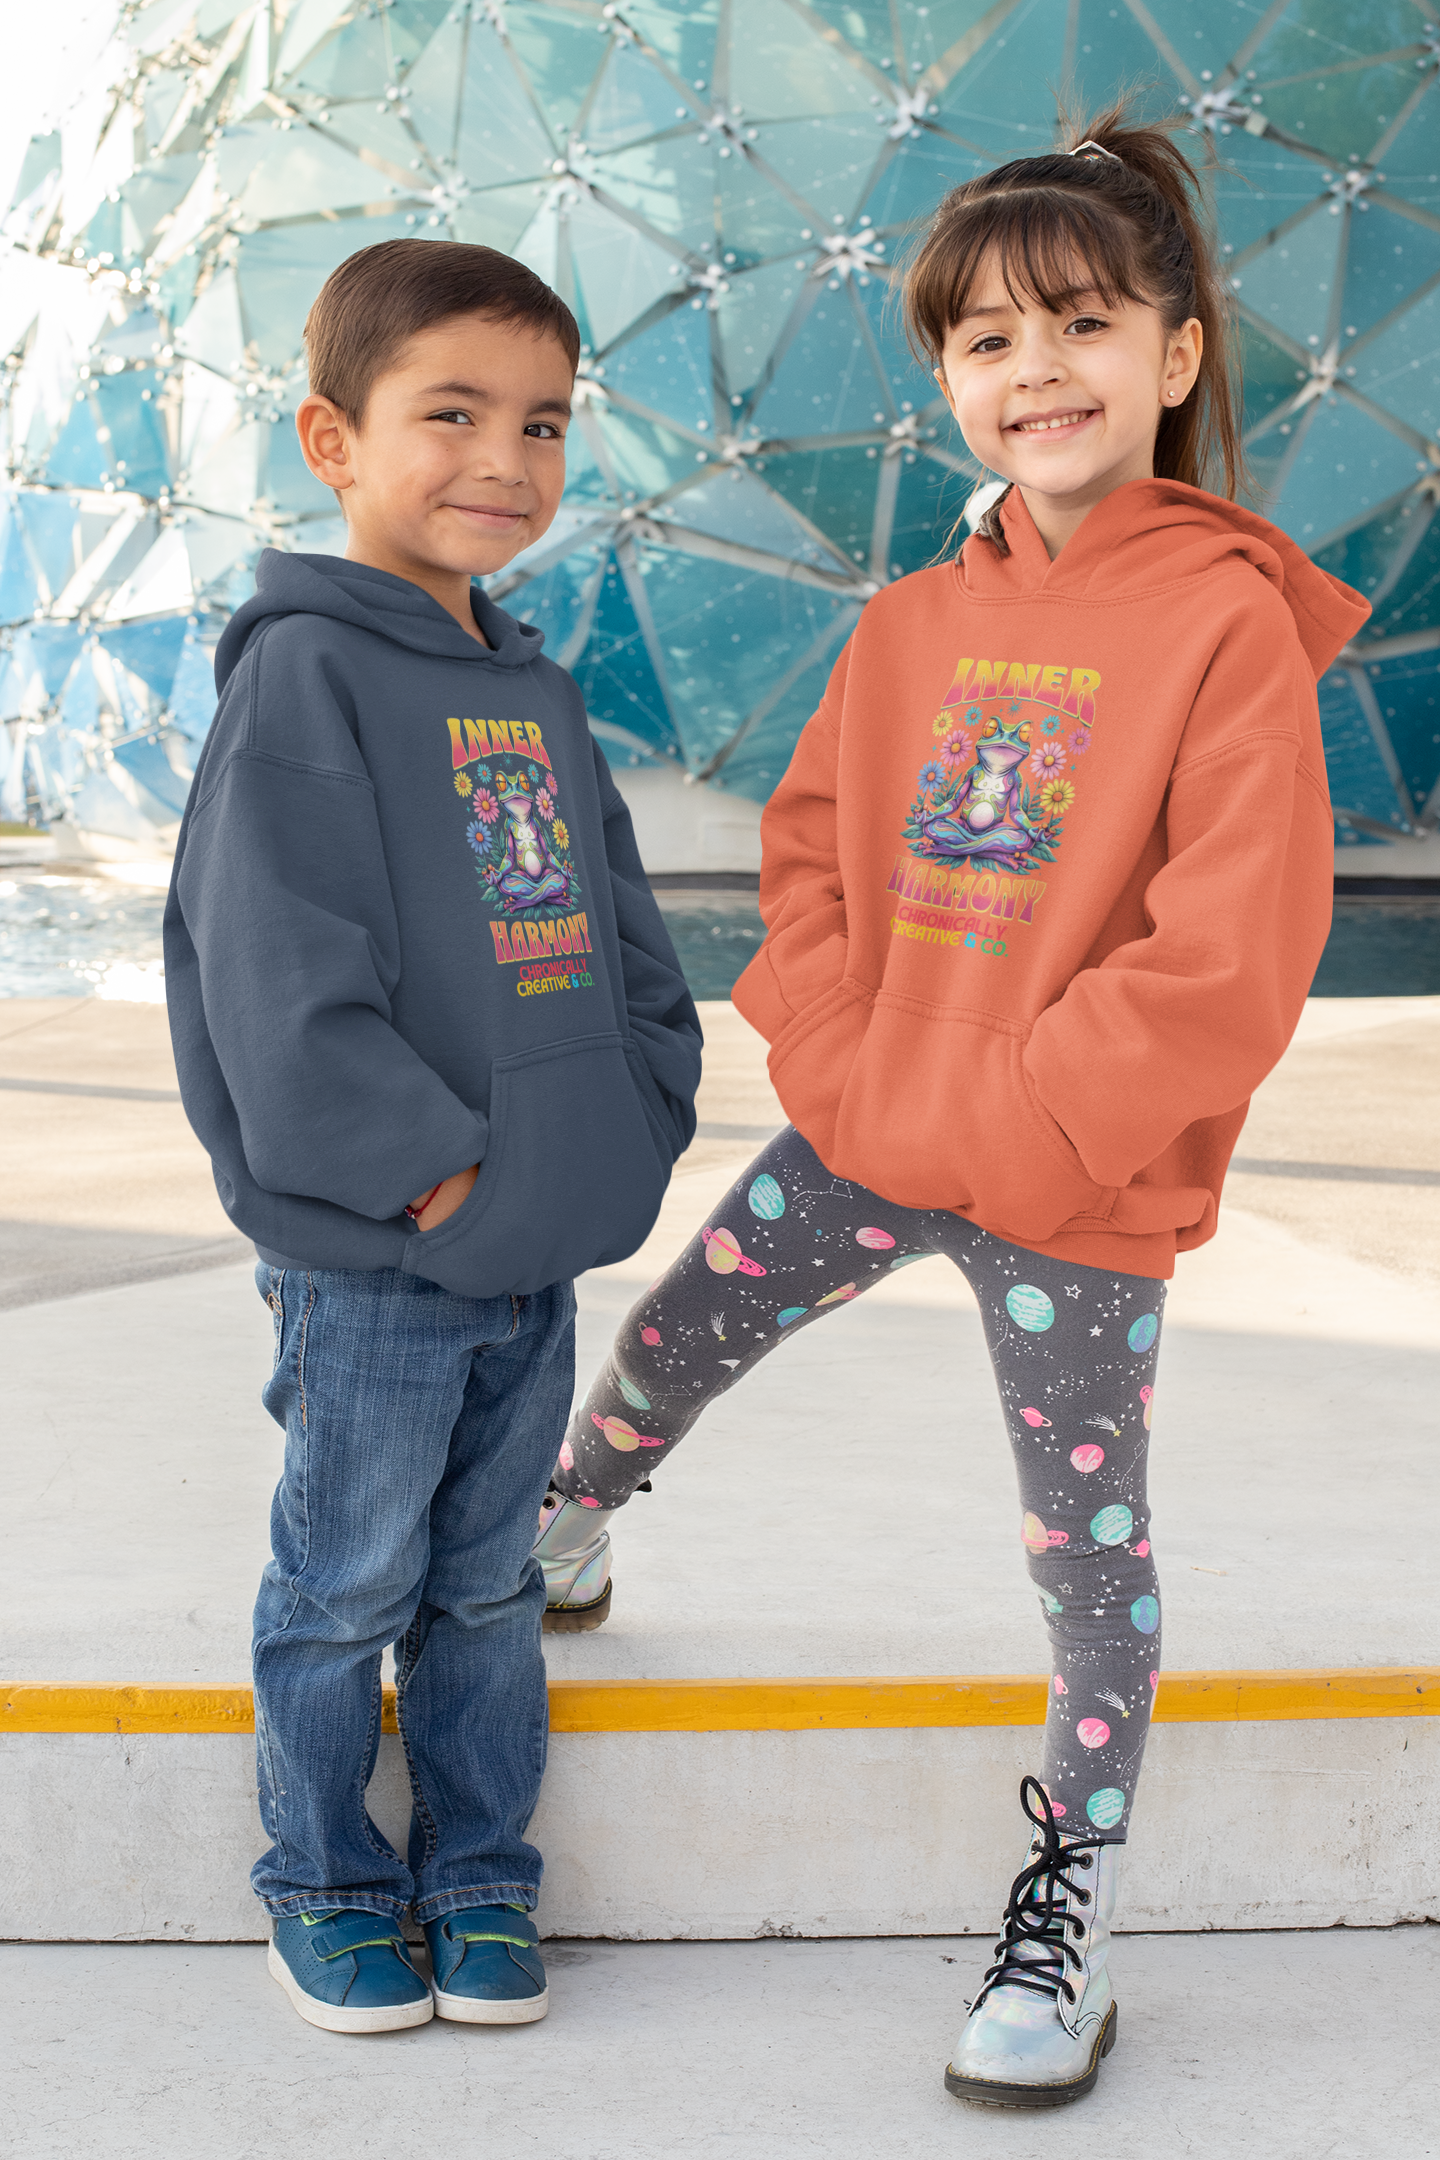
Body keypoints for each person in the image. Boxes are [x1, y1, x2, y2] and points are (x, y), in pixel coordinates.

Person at [533, 110, 1368, 2103]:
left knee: (1090, 1555)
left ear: (1175, 353)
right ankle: (570, 1524)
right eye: (987, 341)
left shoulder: (1229, 625)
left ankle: (1068, 1908)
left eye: (1081, 324)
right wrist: (844, 1062)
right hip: (871, 1122)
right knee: (674, 1335)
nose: (1035, 370)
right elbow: (806, 858)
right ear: (944, 380)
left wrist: (1033, 1111)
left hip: (1078, 1184)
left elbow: (1234, 947)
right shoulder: (910, 622)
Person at [164, 239, 701, 2034]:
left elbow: (623, 935)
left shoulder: (531, 688)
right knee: (344, 1589)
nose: (503, 460)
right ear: (334, 439)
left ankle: (479, 1872)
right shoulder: (306, 677)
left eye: (541, 423)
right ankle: (324, 1877)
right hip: (383, 1263)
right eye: (451, 414)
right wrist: (434, 1179)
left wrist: (632, 1117)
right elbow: (274, 968)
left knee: (484, 1589)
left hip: (534, 1243)